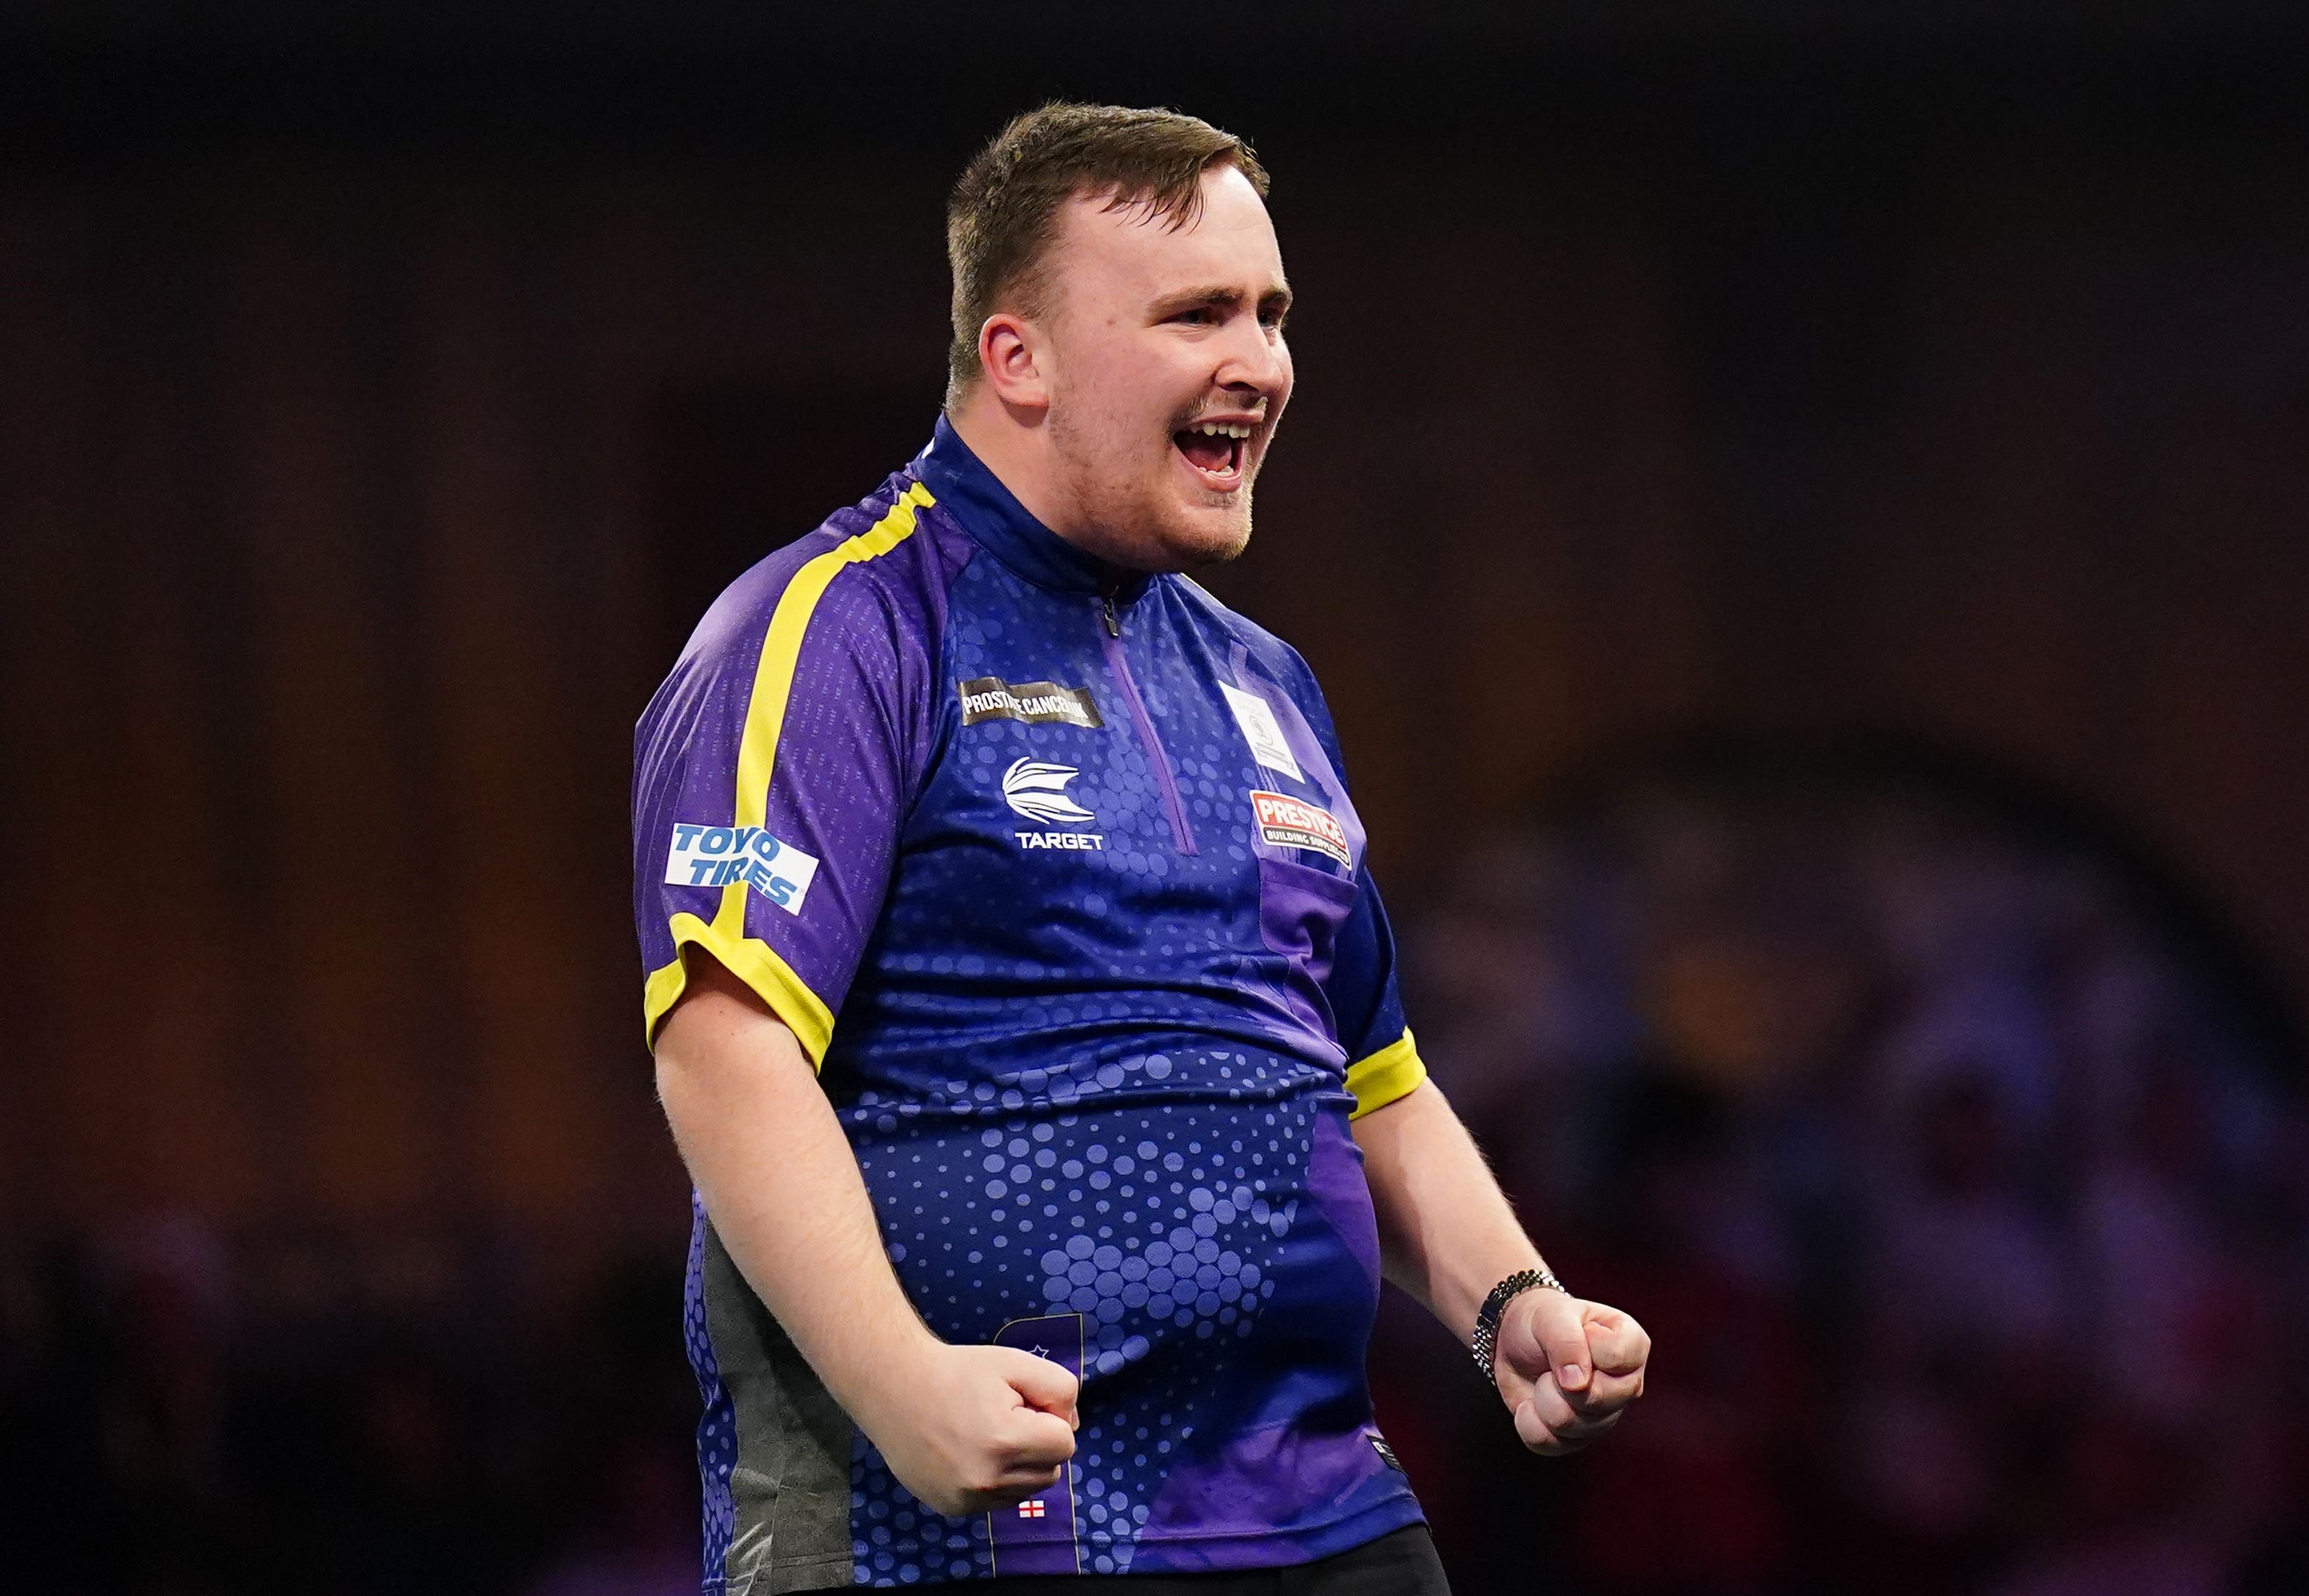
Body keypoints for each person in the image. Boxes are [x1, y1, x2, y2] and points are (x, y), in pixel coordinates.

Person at [635, 103, 1649, 1595]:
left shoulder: (1267, 682)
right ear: (1016, 358)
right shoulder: (835, 628)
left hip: (1320, 1517)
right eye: (1194, 314)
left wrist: (1510, 1301)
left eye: (1269, 312)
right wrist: (905, 1382)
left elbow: (1371, 1069)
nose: (1259, 361)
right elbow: (721, 1046)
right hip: (955, 1531)